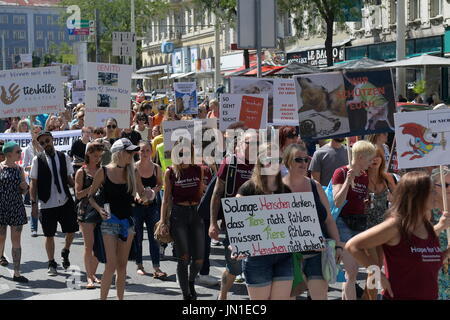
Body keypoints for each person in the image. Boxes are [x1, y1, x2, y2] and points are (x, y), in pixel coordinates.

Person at [346, 171, 450, 300]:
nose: (436, 195)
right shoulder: (396, 225)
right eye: (432, 191)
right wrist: (378, 274)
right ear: (417, 195)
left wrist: (447, 252)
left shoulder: (427, 225)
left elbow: (429, 262)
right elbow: (353, 245)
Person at [87, 138, 151, 300]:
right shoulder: (104, 171)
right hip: (109, 220)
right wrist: (98, 209)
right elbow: (90, 196)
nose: (132, 154)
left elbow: (142, 195)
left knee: (122, 266)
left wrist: (149, 194)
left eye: (132, 152)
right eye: (129, 152)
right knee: (111, 264)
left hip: (127, 221)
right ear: (119, 153)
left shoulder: (133, 171)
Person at [282, 143, 343, 299]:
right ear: (288, 161)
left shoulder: (315, 186)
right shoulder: (277, 189)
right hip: (288, 257)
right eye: (298, 160)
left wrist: (338, 245)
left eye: (306, 159)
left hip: (317, 253)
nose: (304, 164)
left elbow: (329, 219)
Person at [234, 143, 293, 300]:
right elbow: (236, 220)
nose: (274, 163)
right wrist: (238, 244)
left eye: (278, 159)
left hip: (284, 256)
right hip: (257, 256)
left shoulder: (286, 190)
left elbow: (293, 222)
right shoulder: (248, 189)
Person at [209, 130, 257, 300]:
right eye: (250, 143)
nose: (254, 147)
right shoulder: (230, 163)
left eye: (257, 144)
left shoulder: (262, 164)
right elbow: (216, 193)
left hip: (257, 221)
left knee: (256, 264)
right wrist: (213, 223)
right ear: (241, 144)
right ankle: (222, 295)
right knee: (234, 266)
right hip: (233, 221)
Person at [158, 142, 205, 300]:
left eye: (186, 153)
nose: (183, 157)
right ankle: (186, 294)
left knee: (198, 259)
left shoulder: (198, 169)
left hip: (196, 213)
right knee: (183, 258)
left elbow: (200, 193)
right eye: (179, 153)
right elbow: (166, 199)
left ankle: (191, 281)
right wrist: (163, 221)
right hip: (179, 214)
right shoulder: (170, 172)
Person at [29, 131, 79, 276]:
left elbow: (70, 179)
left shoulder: (64, 157)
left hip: (64, 200)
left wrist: (80, 191)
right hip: (47, 203)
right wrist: (33, 204)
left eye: (47, 140)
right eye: (42, 143)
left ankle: (66, 250)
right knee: (49, 234)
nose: (45, 144)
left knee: (71, 230)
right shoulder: (37, 160)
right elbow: (33, 183)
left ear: (52, 140)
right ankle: (51, 262)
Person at [332, 140, 376, 300]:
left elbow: (359, 200)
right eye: (370, 159)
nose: (371, 163)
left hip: (359, 223)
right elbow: (337, 201)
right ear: (361, 157)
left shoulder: (364, 176)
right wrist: (346, 182)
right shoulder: (341, 172)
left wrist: (365, 203)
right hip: (342, 223)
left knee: (352, 272)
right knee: (351, 271)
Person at [364, 146, 397, 299]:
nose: (374, 159)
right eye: (371, 157)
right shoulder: (360, 177)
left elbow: (399, 199)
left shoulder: (387, 177)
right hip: (365, 227)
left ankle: (366, 295)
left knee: (377, 266)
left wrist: (392, 197)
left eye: (377, 156)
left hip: (382, 228)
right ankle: (372, 297)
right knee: (374, 268)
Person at [133, 141, 166, 278]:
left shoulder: (156, 168)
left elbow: (160, 184)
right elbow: (131, 186)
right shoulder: (133, 168)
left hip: (152, 206)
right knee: (138, 236)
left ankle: (156, 267)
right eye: (142, 150)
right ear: (138, 152)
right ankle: (139, 265)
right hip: (137, 207)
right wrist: (137, 196)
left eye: (147, 150)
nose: (144, 153)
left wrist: (152, 192)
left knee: (154, 238)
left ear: (151, 152)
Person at [74, 142, 105, 289]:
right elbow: (78, 194)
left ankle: (93, 273)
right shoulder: (82, 172)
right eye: (94, 155)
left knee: (100, 245)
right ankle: (89, 277)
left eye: (99, 156)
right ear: (88, 154)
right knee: (89, 246)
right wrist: (92, 188)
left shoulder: (103, 170)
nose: (97, 158)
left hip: (101, 209)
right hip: (86, 210)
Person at [0, 142, 29, 282]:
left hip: (16, 207)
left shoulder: (19, 169)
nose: (20, 153)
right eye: (18, 151)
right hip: (1, 207)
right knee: (0, 238)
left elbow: (24, 191)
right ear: (9, 154)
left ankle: (17, 273)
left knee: (16, 241)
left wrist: (25, 187)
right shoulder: (0, 168)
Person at [430, 167, 450, 300]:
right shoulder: (427, 210)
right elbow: (419, 237)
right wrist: (440, 226)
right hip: (437, 264)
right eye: (445, 184)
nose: (449, 188)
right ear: (434, 187)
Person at [22, 123, 44, 235]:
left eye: (39, 132)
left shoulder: (43, 147)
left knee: (45, 204)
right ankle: (34, 227)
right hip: (33, 179)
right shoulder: (27, 149)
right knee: (34, 203)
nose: (37, 134)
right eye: (35, 132)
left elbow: (47, 159)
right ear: (31, 134)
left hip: (44, 178)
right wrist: (33, 165)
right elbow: (24, 165)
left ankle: (45, 223)